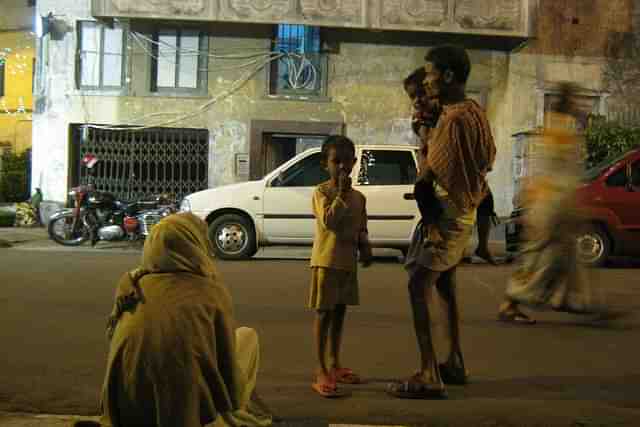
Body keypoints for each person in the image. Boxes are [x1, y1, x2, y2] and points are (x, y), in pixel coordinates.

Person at [388, 46, 496, 399]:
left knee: (418, 286)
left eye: (431, 73)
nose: (428, 81)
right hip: (466, 210)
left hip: (447, 213)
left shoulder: (450, 120)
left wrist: (426, 143)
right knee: (446, 285)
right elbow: (488, 157)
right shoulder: (475, 112)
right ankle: (455, 361)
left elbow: (430, 175)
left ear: (448, 76)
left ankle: (429, 372)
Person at [97, 212, 272, 427]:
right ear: (195, 244)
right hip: (186, 414)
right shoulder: (209, 291)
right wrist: (232, 405)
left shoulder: (131, 285)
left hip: (126, 411)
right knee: (247, 337)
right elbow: (225, 362)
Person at [497, 83, 618, 324]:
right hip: (552, 207)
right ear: (568, 104)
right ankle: (513, 302)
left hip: (548, 205)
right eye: (576, 101)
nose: (581, 106)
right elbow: (560, 175)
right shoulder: (562, 132)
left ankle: (576, 301)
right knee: (543, 259)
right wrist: (569, 208)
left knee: (565, 256)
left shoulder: (553, 129)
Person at [404, 68, 498, 265]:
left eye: (421, 94)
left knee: (486, 198)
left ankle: (483, 245)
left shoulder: (448, 110)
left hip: (454, 167)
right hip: (432, 163)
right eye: (412, 96)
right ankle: (432, 229)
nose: (417, 100)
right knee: (421, 188)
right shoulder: (422, 117)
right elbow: (427, 140)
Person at [309, 135, 372, 398]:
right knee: (324, 314)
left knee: (340, 313)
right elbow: (329, 221)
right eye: (337, 162)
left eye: (348, 162)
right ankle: (320, 368)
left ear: (355, 163)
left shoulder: (359, 197)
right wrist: (342, 194)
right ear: (326, 164)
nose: (343, 167)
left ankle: (335, 363)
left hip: (348, 263)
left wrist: (366, 245)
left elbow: (361, 226)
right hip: (326, 262)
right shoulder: (321, 192)